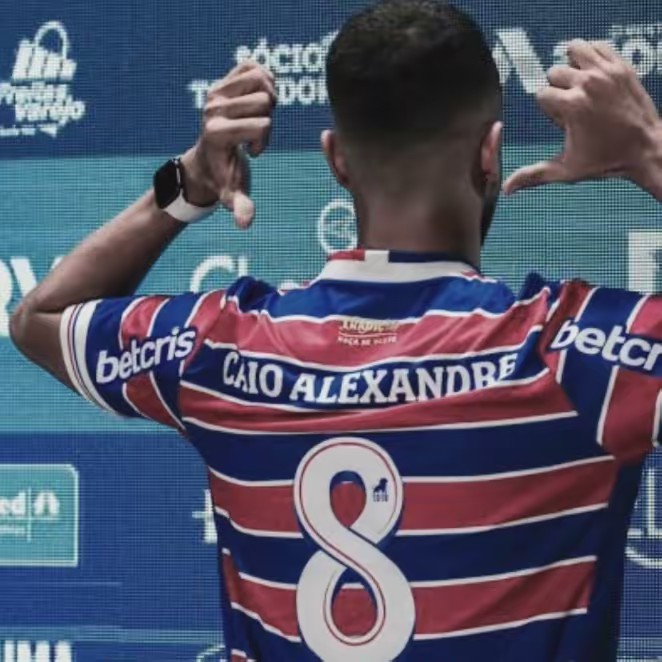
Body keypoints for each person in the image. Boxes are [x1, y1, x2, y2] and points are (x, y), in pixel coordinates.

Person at [10, 0, 662, 660]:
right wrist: (650, 153)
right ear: (490, 153)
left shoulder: (221, 346)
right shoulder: (573, 356)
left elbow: (39, 318)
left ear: (335, 160)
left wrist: (191, 182)